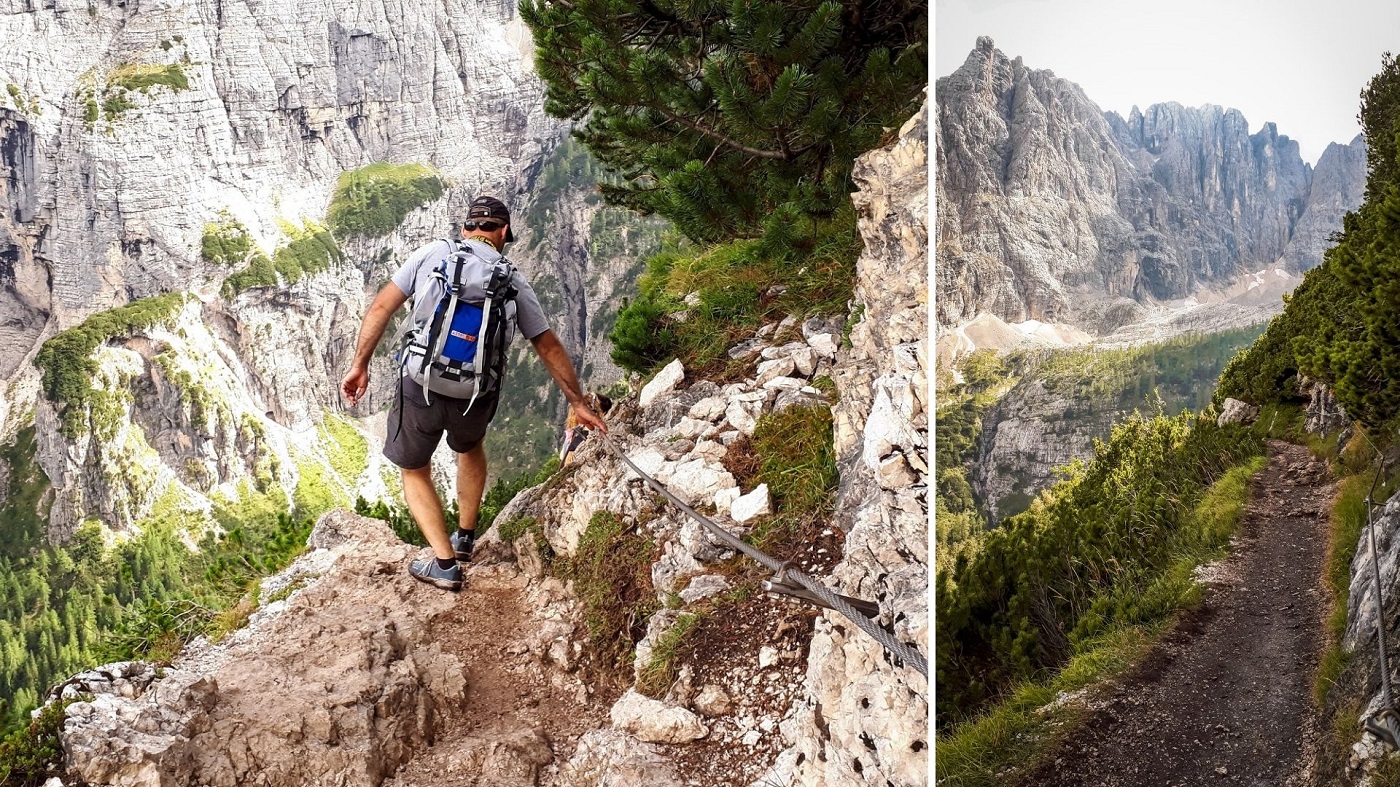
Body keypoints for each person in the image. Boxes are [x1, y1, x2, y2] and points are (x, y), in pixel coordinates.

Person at [340, 195, 606, 592]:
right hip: (477, 392)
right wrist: (577, 403)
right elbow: (547, 344)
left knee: (414, 469)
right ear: (502, 233)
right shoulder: (512, 279)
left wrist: (359, 365)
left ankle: (444, 564)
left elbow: (381, 307)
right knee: (470, 447)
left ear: (466, 229)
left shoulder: (433, 254)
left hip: (421, 385)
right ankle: (465, 538)